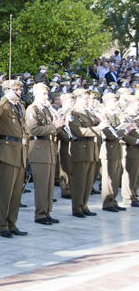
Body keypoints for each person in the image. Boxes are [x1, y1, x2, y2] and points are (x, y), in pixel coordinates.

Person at [0, 79, 29, 238]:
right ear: (8, 91)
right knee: (6, 191)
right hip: (7, 152)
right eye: (16, 90)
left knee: (16, 193)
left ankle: (12, 223)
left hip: (20, 151)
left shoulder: (19, 106)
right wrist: (5, 97)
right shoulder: (4, 106)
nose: (20, 92)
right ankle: (2, 225)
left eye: (20, 90)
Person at [25, 83, 63, 225]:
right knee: (41, 185)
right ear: (35, 94)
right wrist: (54, 126)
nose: (46, 97)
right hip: (39, 149)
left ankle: (47, 211)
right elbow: (33, 130)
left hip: (49, 148)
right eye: (43, 94)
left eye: (47, 94)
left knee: (49, 185)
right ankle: (40, 214)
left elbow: (53, 130)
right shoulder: (32, 109)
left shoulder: (47, 110)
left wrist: (58, 124)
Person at [65, 89, 106, 217]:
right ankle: (77, 207)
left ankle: (84, 205)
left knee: (88, 181)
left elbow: (93, 126)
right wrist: (98, 128)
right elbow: (78, 131)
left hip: (91, 149)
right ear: (78, 98)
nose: (89, 101)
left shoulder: (88, 112)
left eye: (89, 98)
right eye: (86, 98)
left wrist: (100, 120)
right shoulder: (73, 112)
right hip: (80, 149)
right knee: (80, 181)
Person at [99, 93, 136, 212]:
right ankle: (107, 202)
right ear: (107, 102)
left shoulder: (114, 115)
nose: (117, 103)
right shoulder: (104, 115)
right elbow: (110, 134)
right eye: (115, 101)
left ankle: (113, 201)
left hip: (116, 148)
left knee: (115, 177)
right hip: (108, 149)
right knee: (108, 178)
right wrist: (126, 129)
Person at [121, 97, 139, 207]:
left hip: (136, 149)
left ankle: (134, 195)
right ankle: (128, 197)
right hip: (131, 148)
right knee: (130, 174)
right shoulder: (126, 116)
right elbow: (123, 134)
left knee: (136, 174)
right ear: (131, 105)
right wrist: (136, 141)